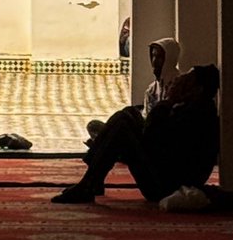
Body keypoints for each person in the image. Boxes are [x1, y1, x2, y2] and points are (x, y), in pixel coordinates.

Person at [52, 64, 220, 204]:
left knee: (123, 124)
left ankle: (89, 183)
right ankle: (93, 180)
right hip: (165, 175)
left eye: (187, 79)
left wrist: (168, 101)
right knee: (128, 114)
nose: (180, 79)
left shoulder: (198, 114)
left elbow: (154, 137)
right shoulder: (194, 107)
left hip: (165, 187)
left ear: (197, 90)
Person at [143, 37, 180, 114]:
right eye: (153, 55)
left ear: (169, 58)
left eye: (159, 57)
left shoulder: (180, 85)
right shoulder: (151, 90)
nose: (154, 61)